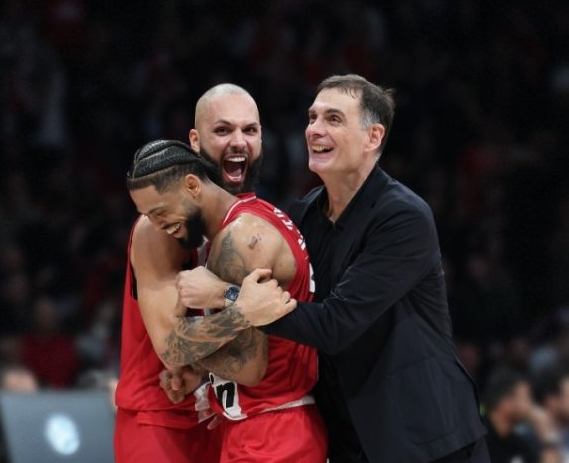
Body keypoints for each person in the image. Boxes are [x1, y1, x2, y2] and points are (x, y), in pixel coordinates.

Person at [175, 74, 489, 462]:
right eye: (312, 117)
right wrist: (211, 375)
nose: (315, 130)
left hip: (425, 437)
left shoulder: (403, 217)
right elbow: (289, 326)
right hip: (348, 437)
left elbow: (334, 325)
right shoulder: (304, 213)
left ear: (373, 137)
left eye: (333, 119)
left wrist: (227, 295)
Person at [127, 139, 327, 462]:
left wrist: (226, 323)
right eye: (148, 216)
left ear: (192, 185)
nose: (158, 226)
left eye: (160, 212)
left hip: (273, 433)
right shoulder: (252, 217)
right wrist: (202, 371)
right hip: (264, 428)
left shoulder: (240, 239)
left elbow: (248, 368)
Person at [114, 84, 264, 462]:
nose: (238, 141)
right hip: (160, 422)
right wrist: (245, 308)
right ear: (195, 141)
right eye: (223, 130)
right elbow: (172, 349)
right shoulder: (158, 227)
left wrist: (205, 371)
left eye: (249, 130)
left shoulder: (248, 221)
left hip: (223, 416)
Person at [482, 368, 560, 462]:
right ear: (506, 402)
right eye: (526, 398)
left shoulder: (518, 444)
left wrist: (547, 435)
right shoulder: (477, 439)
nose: (531, 405)